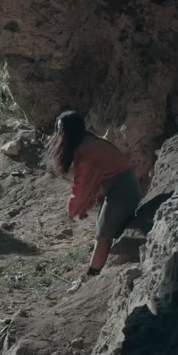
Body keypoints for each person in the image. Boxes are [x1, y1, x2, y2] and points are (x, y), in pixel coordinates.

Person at [47, 110, 140, 284]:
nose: (59, 135)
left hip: (123, 191)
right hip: (117, 188)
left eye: (62, 131)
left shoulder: (87, 152)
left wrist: (73, 209)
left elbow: (83, 185)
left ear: (71, 131)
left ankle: (91, 276)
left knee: (103, 234)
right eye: (58, 130)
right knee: (103, 228)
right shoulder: (86, 142)